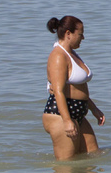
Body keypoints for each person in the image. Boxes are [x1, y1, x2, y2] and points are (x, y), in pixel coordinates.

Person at [42, 16, 104, 160]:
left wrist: (93, 108)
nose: (83, 37)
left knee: (93, 157)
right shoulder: (58, 55)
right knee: (66, 167)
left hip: (78, 112)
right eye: (80, 34)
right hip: (60, 113)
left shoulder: (72, 54)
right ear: (68, 34)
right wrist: (67, 120)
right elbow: (58, 91)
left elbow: (78, 88)